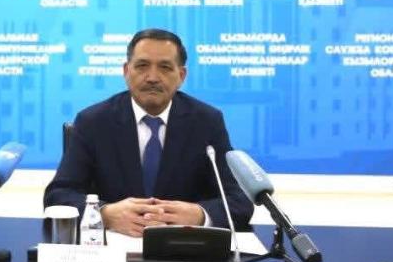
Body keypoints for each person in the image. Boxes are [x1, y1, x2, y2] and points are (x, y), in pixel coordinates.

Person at [44, 28, 252, 234]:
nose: (152, 77)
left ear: (181, 75)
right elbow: (58, 195)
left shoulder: (206, 122)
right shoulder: (93, 122)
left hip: (182, 246)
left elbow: (239, 200)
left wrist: (200, 215)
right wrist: (104, 214)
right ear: (126, 71)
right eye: (142, 66)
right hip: (115, 246)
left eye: (165, 67)